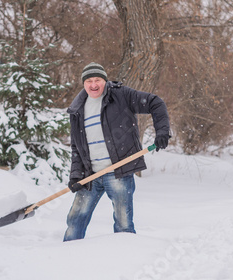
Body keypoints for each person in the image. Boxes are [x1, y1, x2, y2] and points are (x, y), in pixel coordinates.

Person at [64, 62, 171, 241]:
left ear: (104, 80)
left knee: (123, 224)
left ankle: (125, 260)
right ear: (83, 83)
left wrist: (162, 131)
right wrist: (76, 175)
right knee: (75, 220)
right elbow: (77, 146)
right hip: (89, 175)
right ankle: (66, 257)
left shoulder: (121, 96)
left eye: (97, 79)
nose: (93, 85)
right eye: (89, 81)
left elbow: (155, 103)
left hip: (118, 173)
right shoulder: (77, 109)